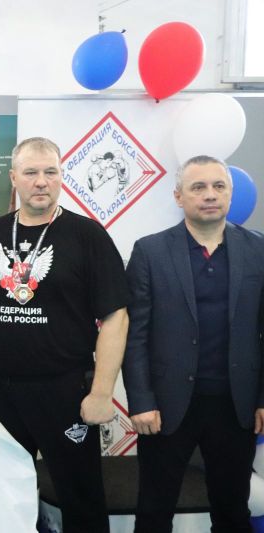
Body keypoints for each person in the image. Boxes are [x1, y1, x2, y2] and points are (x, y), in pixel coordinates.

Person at [0, 137, 129, 533]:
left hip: (67, 390)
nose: (41, 181)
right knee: (3, 499)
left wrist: (102, 392)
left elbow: (116, 316)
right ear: (14, 178)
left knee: (81, 498)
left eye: (51, 172)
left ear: (62, 176)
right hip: (0, 389)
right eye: (31, 172)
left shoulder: (87, 236)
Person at [123, 155, 264, 532]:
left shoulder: (258, 250)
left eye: (219, 186)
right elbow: (135, 335)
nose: (209, 195)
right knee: (154, 511)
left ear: (230, 195)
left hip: (236, 406)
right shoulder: (150, 251)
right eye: (198, 187)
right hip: (166, 407)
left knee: (232, 512)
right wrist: (142, 401)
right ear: (179, 196)